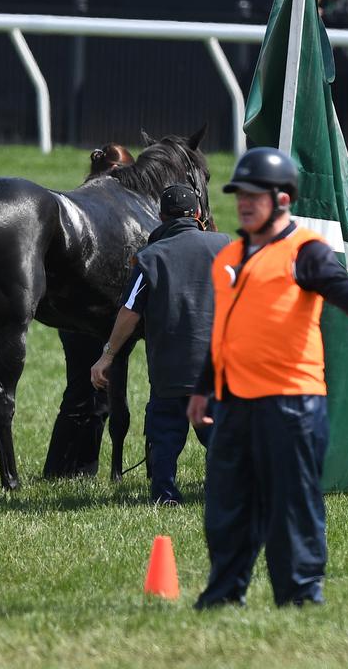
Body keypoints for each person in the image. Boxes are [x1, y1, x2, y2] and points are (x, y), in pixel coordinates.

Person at [187, 147, 348, 608]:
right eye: (240, 194)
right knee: (227, 507)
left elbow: (343, 289)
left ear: (284, 199)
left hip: (292, 404)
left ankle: (301, 595)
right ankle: (224, 594)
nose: (244, 203)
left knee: (293, 507)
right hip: (234, 403)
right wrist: (203, 388)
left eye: (256, 195)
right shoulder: (227, 258)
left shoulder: (306, 252)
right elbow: (225, 331)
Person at [90, 184, 228, 504]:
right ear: (197, 215)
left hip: (170, 371)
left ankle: (165, 494)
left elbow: (129, 313)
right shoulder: (225, 247)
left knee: (165, 435)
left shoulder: (150, 258)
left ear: (161, 218)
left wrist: (107, 355)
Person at [44, 143, 135, 479]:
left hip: (67, 312)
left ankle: (62, 468)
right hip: (97, 315)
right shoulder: (110, 208)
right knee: (95, 394)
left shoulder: (84, 199)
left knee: (78, 389)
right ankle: (80, 468)